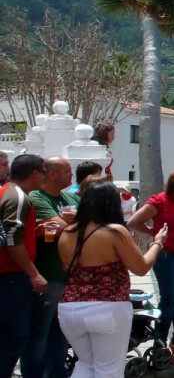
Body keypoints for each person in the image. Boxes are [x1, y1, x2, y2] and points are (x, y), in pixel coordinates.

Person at [57, 181, 167, 378]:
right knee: (109, 370)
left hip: (70, 307)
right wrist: (157, 243)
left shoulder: (67, 232)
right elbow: (141, 268)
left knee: (85, 365)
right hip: (107, 306)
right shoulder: (114, 231)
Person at [126, 171, 174, 362]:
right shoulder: (159, 201)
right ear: (173, 189)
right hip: (168, 255)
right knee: (169, 299)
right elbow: (134, 221)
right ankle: (159, 345)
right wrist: (153, 233)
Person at [23, 157, 77, 378]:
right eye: (67, 170)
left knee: (63, 331)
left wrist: (71, 223)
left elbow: (90, 224)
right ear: (52, 174)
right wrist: (74, 223)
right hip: (48, 275)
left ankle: (57, 373)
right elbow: (61, 226)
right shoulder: (36, 197)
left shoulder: (71, 196)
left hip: (70, 276)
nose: (71, 174)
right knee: (39, 331)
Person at [0, 154, 46, 377]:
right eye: (43, 172)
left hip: (10, 276)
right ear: (35, 173)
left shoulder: (9, 192)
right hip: (10, 276)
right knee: (14, 336)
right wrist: (34, 274)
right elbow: (11, 238)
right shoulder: (18, 196)